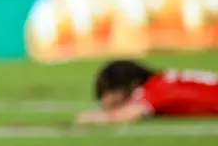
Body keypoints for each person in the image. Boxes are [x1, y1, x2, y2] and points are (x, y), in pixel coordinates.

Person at [78, 61, 218, 123]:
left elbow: (128, 115)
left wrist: (91, 118)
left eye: (108, 93)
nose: (105, 101)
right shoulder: (162, 81)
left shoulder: (154, 89)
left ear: (131, 85)